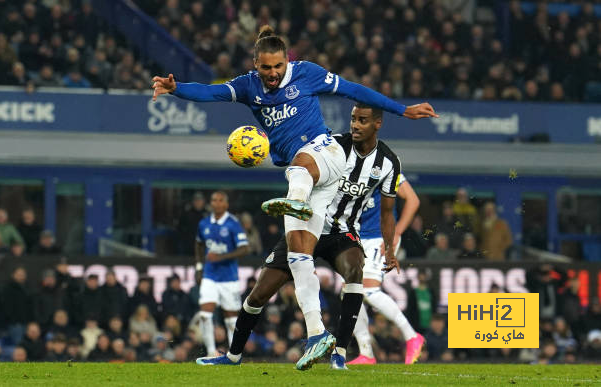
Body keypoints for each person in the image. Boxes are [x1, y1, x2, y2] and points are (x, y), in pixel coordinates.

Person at [153, 25, 437, 368]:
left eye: (278, 67)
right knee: (299, 259)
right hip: (306, 179)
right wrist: (176, 89)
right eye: (265, 68)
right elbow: (210, 93)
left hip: (327, 155)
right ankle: (316, 334)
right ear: (255, 64)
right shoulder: (247, 86)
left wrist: (401, 109)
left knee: (299, 167)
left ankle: (297, 200)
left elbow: (353, 89)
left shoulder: (306, 73)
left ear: (287, 61)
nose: (272, 74)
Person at [197, 103, 407, 370]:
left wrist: (389, 250)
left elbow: (388, 213)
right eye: (353, 119)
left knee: (355, 271)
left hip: (341, 232)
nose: (355, 125)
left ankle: (339, 355)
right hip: (306, 225)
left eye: (362, 120)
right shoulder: (333, 147)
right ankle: (233, 356)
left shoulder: (389, 162)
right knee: (259, 295)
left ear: (377, 124)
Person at [348, 181, 425, 365]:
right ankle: (366, 353)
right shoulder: (348, 163)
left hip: (380, 237)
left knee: (368, 290)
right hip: (357, 237)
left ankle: (412, 337)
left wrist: (397, 232)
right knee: (349, 294)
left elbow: (413, 200)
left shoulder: (386, 163)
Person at [194, 191, 250, 357]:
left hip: (229, 278)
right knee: (205, 314)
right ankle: (211, 352)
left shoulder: (233, 224)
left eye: (220, 201)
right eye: (213, 200)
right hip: (210, 275)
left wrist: (221, 257)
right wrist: (198, 267)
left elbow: (244, 248)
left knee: (231, 319)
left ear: (226, 204)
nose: (216, 203)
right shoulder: (204, 223)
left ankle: (234, 355)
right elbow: (198, 244)